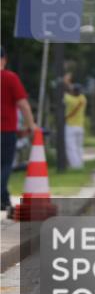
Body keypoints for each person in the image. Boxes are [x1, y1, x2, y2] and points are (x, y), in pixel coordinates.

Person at [1, 46, 37, 213]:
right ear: (4, 59)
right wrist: (31, 125)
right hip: (6, 130)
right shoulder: (10, 78)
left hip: (8, 129)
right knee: (5, 164)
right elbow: (23, 104)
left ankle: (4, 200)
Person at [63, 83, 87, 169]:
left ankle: (75, 166)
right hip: (80, 126)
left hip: (70, 126)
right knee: (79, 147)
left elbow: (65, 93)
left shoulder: (69, 99)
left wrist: (67, 85)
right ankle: (80, 164)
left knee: (71, 147)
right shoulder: (83, 99)